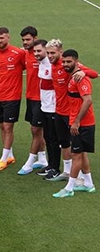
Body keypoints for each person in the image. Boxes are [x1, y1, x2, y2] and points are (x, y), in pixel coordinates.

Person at [47, 40, 96, 182]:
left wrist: (82, 71)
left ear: (60, 52)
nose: (49, 56)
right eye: (48, 53)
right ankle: (67, 171)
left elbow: (93, 73)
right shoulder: (54, 65)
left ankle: (80, 177)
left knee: (78, 147)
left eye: (52, 53)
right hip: (59, 110)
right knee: (64, 143)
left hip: (71, 113)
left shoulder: (70, 66)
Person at [0, 27, 26, 171]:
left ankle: (3, 159)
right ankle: (9, 155)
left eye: (2, 38)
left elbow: (31, 67)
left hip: (12, 97)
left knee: (8, 127)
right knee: (2, 126)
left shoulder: (18, 53)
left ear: (8, 37)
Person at [17, 26, 48, 174]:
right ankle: (42, 159)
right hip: (30, 97)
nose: (25, 42)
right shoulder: (25, 54)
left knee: (36, 129)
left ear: (36, 39)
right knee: (36, 129)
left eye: (28, 39)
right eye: (23, 40)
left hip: (42, 99)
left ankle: (29, 163)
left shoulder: (44, 55)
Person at [33, 40, 61, 179]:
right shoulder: (42, 62)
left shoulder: (56, 64)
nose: (37, 53)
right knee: (47, 137)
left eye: (40, 51)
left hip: (54, 107)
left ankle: (56, 168)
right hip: (45, 106)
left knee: (54, 139)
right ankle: (51, 165)